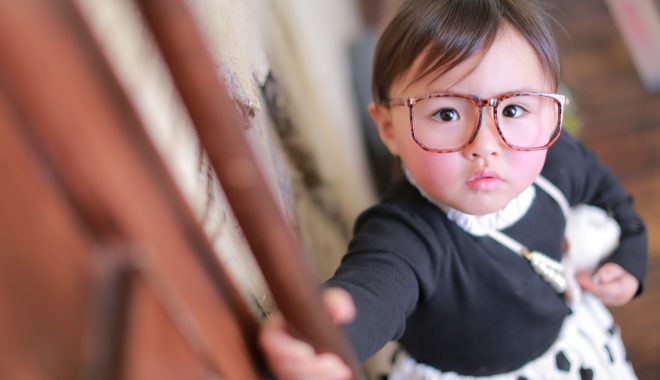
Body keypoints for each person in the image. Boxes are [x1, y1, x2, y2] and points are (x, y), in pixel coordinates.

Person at [259, 0, 648, 379]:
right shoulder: (406, 232)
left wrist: (629, 260)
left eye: (512, 110)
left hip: (570, 350)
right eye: (446, 113)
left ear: (550, 116)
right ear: (389, 129)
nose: (484, 143)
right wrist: (328, 331)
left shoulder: (560, 161)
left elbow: (614, 202)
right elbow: (375, 290)